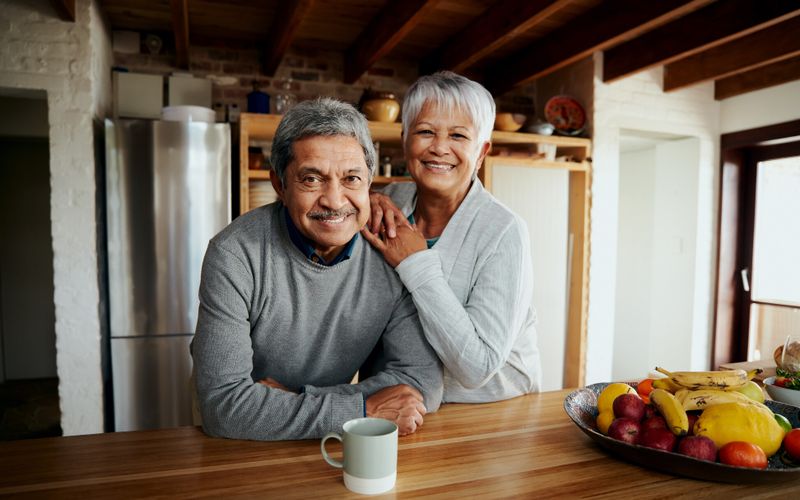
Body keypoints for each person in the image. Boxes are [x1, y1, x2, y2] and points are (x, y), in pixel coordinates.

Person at [192, 98, 443, 441]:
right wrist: (360, 411)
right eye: (312, 179)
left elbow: (421, 381)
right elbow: (224, 407)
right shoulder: (234, 254)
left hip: (328, 441)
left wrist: (295, 401)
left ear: (369, 182)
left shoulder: (391, 250)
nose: (335, 201)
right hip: (242, 444)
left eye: (352, 179)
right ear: (280, 185)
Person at [361, 71, 541, 403]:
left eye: (458, 136)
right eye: (425, 131)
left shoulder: (504, 231)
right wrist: (361, 197)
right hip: (396, 400)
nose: (440, 148)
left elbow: (478, 368)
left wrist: (416, 262)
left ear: (482, 151)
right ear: (405, 141)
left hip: (489, 411)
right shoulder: (389, 202)